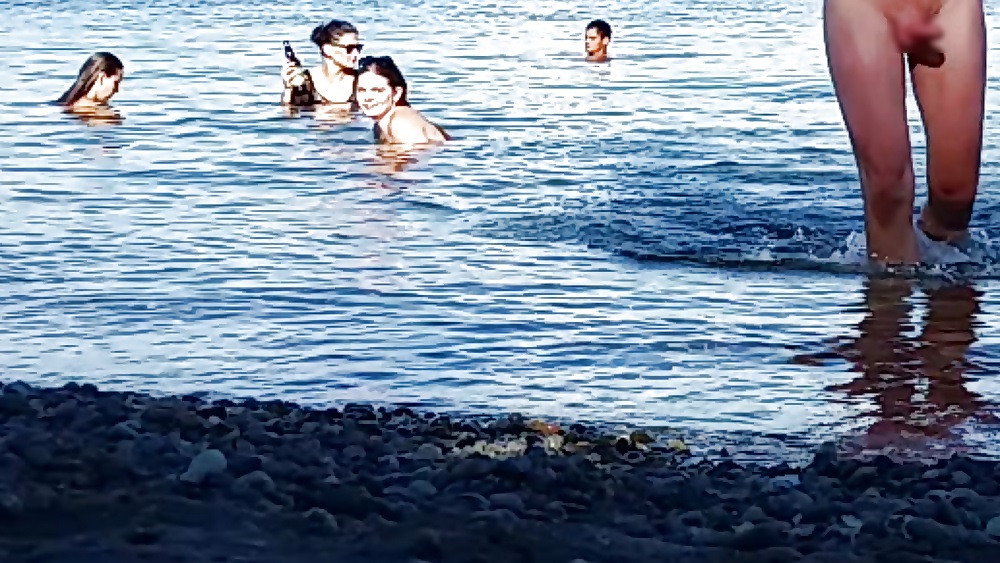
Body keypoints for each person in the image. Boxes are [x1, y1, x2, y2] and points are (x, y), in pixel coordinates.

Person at [823, 0, 986, 265]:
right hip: (863, 9)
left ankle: (950, 280)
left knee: (955, 193)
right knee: (888, 185)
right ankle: (890, 283)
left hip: (949, 7)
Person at [356, 56, 449, 146]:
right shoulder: (382, 123)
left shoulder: (400, 122)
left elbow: (417, 154)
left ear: (397, 93)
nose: (367, 97)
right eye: (361, 90)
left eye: (377, 90)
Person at [281, 19, 363, 106]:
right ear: (327, 49)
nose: (356, 53)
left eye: (358, 48)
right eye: (349, 49)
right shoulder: (305, 81)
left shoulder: (362, 80)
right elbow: (288, 111)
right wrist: (288, 88)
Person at [56, 52, 125, 123]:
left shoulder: (61, 108)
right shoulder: (104, 117)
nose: (117, 90)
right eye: (116, 83)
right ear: (101, 78)